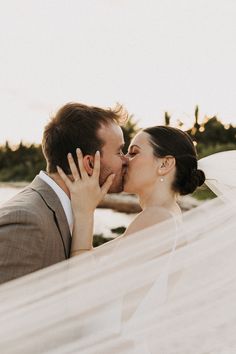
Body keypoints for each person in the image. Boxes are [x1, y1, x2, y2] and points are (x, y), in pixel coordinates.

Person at [0, 102, 129, 284]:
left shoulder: (72, 210)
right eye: (119, 151)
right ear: (90, 163)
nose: (126, 160)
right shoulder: (26, 220)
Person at [57, 125, 206, 255]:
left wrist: (84, 213)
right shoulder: (170, 212)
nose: (124, 160)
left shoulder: (156, 217)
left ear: (164, 164)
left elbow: (81, 275)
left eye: (133, 153)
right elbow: (94, 257)